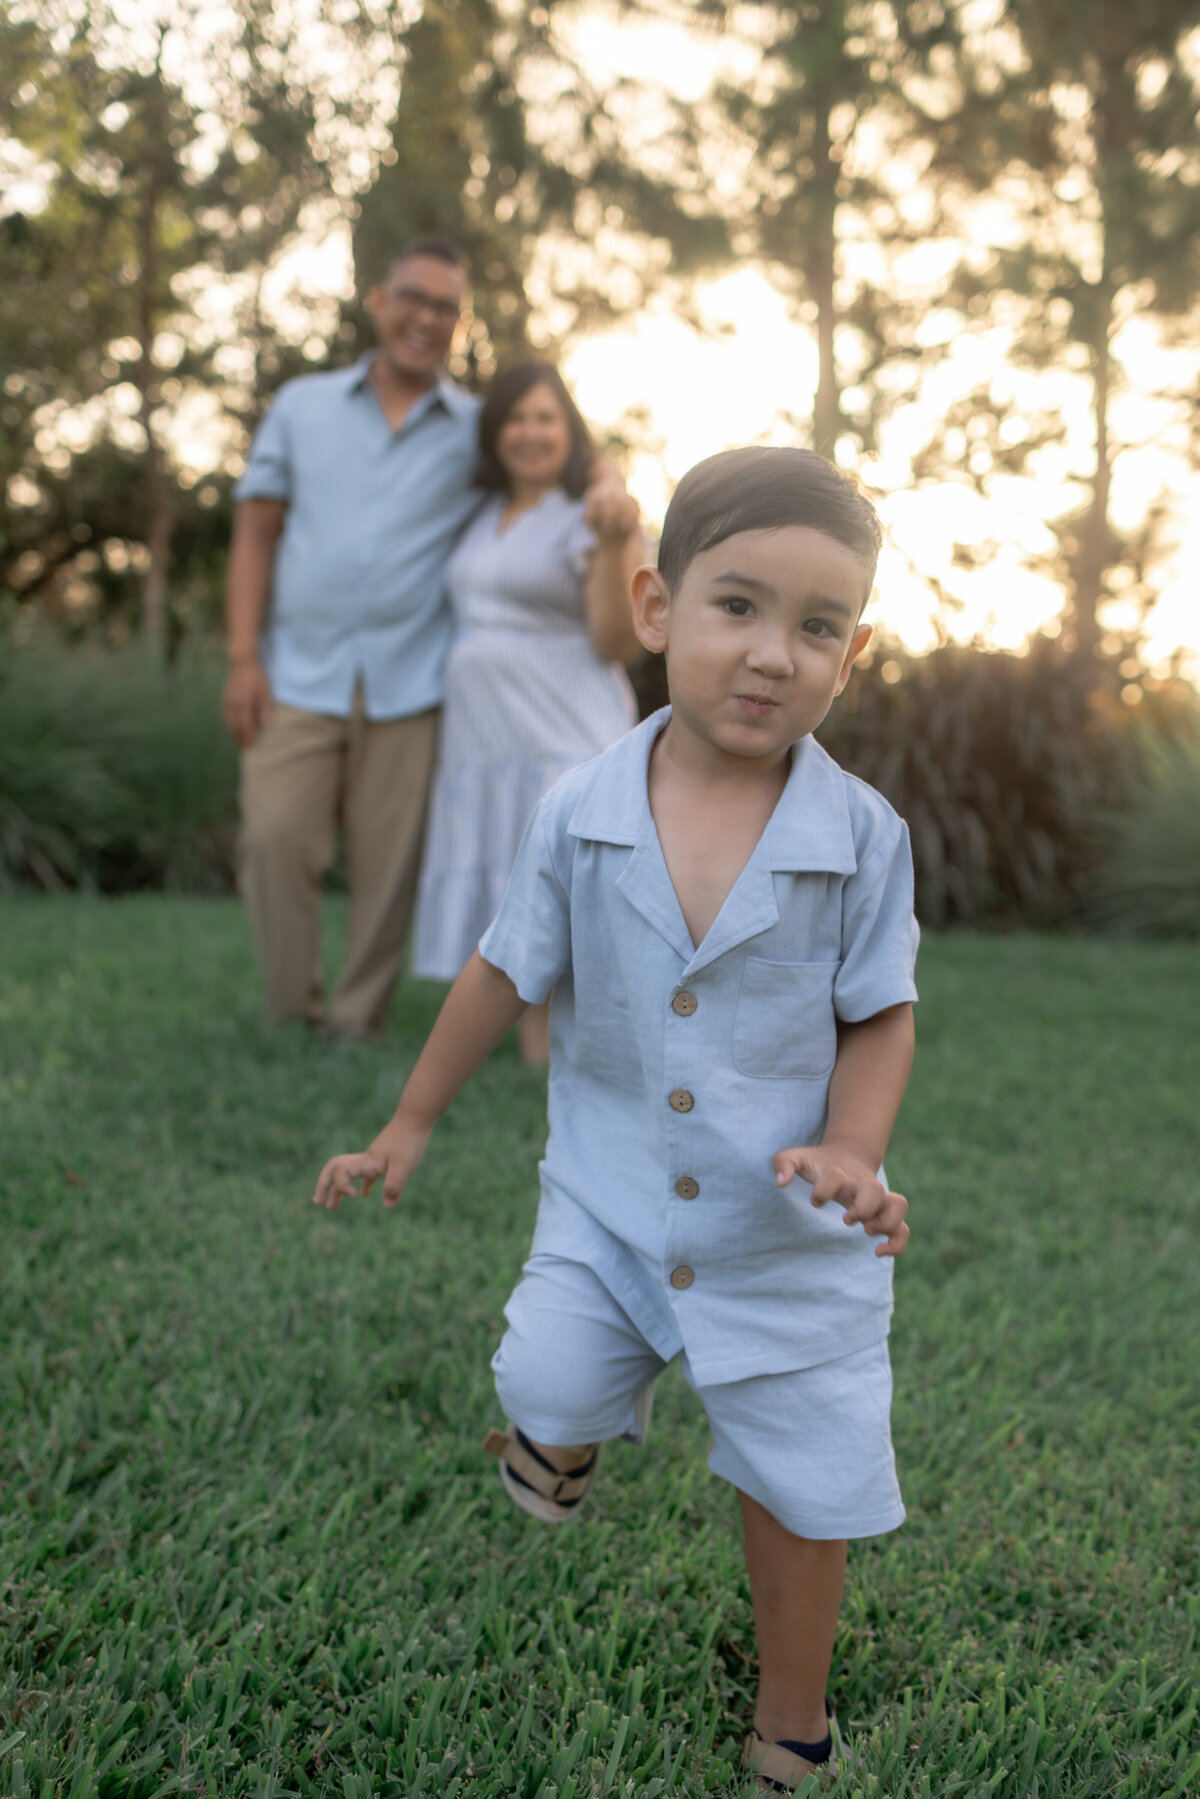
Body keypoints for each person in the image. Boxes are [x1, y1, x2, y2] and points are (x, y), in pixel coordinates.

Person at [313, 446, 919, 1791]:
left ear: (853, 652)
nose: (773, 653)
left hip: (788, 1235)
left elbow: (883, 1011)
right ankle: (564, 1427)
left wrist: (857, 1150)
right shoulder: (579, 806)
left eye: (817, 628)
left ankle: (792, 1717)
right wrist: (409, 1123)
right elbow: (503, 966)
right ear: (655, 609)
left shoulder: (864, 836)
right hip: (611, 1194)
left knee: (801, 1482)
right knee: (542, 1372)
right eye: (739, 606)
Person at [222, 237, 634, 1037]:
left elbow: (563, 447)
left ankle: (354, 1020)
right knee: (274, 838)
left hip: (412, 680)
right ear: (377, 300)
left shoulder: (479, 425)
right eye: (412, 297)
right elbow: (255, 531)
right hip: (296, 672)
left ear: (458, 322)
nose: (426, 317)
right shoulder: (301, 407)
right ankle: (287, 1014)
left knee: (387, 867)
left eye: (445, 307)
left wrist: (614, 485)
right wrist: (242, 657)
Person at [412, 361, 643, 1063]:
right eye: (516, 418)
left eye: (546, 417)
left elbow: (618, 639)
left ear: (570, 431)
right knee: (507, 875)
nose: (531, 432)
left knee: (557, 884)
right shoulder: (481, 515)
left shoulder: (596, 514)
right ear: (495, 434)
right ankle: (514, 1038)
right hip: (486, 741)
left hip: (562, 731)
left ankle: (555, 1051)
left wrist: (613, 535)